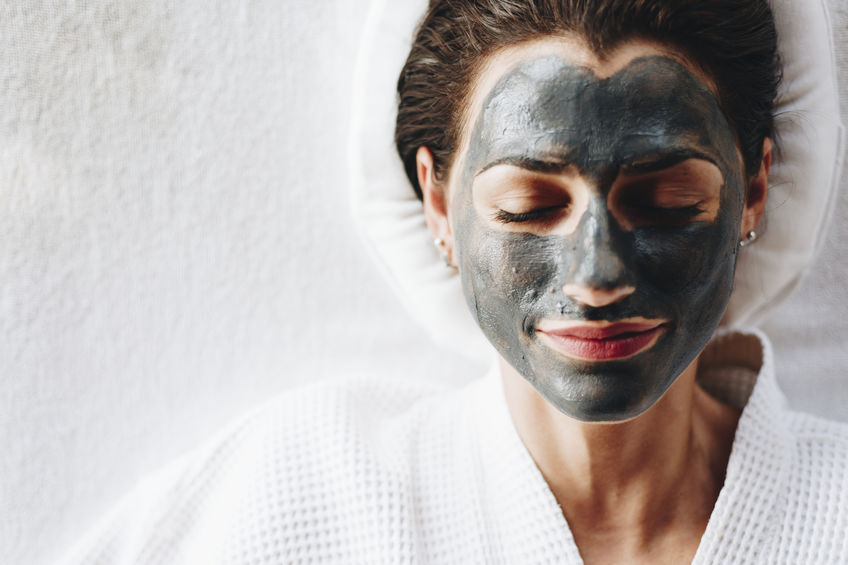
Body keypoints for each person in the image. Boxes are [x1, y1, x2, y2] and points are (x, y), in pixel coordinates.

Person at [60, 1, 847, 563]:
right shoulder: (306, 487)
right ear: (439, 204)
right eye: (529, 205)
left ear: (754, 190)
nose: (597, 276)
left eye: (666, 201)